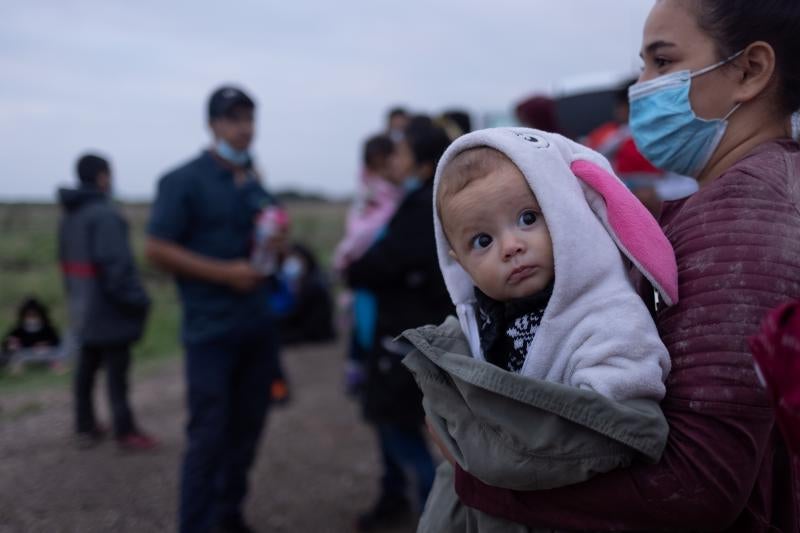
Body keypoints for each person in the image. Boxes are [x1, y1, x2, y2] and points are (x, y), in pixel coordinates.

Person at [452, 1, 800, 530]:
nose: (641, 86)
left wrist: (475, 476)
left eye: (662, 62)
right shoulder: (740, 192)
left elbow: (698, 484)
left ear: (750, 71)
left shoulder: (743, 214)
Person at [401, 127, 675, 531]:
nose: (510, 246)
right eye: (482, 240)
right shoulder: (480, 324)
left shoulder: (608, 316)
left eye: (528, 218)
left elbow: (610, 433)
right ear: (456, 260)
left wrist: (469, 442)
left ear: (567, 212)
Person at [146, 85, 282, 533]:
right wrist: (224, 273)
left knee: (247, 432)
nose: (243, 128)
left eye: (249, 118)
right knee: (208, 436)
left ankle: (229, 516)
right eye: (232, 119)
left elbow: (269, 245)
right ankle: (196, 523)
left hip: (257, 326)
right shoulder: (182, 180)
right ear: (212, 125)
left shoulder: (254, 182)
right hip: (210, 330)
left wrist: (280, 246)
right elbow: (156, 248)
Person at [346, 118, 453, 531]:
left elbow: (384, 262)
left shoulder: (419, 206)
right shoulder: (425, 200)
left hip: (406, 337)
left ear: (423, 163)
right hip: (410, 331)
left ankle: (435, 517)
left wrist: (355, 270)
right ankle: (406, 502)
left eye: (401, 151)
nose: (395, 159)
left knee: (402, 431)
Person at [58, 153, 155, 451]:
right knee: (117, 372)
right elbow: (116, 268)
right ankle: (124, 432)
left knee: (86, 368)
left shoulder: (69, 215)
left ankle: (85, 427)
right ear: (102, 177)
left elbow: (64, 264)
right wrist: (139, 301)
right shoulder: (106, 215)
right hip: (110, 309)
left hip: (82, 307)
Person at [1, 297, 63, 374]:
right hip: (21, 359)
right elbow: (6, 344)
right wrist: (11, 345)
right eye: (28, 315)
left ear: (41, 315)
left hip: (45, 358)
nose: (31, 318)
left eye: (34, 315)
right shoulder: (18, 330)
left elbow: (59, 344)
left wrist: (47, 346)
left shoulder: (48, 330)